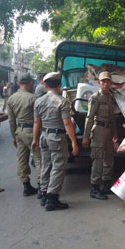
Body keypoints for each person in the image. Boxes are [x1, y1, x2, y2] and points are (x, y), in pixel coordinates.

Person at [31, 72, 79, 211]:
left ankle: (44, 193)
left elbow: (36, 122)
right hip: (57, 137)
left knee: (46, 165)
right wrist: (74, 142)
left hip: (44, 136)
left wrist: (34, 139)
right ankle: (52, 198)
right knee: (58, 166)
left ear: (45, 85)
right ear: (60, 85)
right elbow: (67, 123)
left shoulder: (38, 101)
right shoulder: (61, 101)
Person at [82, 71, 119, 200]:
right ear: (99, 83)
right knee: (97, 160)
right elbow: (89, 117)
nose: (106, 83)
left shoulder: (110, 97)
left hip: (108, 131)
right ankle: (94, 188)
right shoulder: (95, 98)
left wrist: (115, 133)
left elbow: (113, 117)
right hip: (98, 130)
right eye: (103, 81)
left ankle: (106, 185)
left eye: (108, 81)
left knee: (109, 159)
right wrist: (86, 136)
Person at [7, 73, 42, 197]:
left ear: (18, 84)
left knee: (22, 159)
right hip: (31, 131)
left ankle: (26, 186)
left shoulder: (11, 99)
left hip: (19, 132)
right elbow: (39, 119)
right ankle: (41, 187)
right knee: (38, 158)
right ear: (30, 83)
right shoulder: (33, 98)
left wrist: (13, 136)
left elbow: (11, 121)